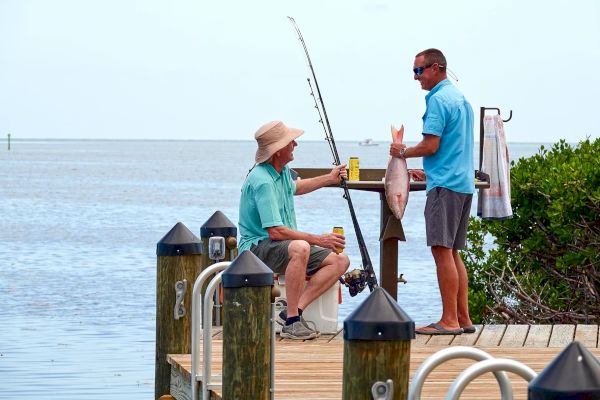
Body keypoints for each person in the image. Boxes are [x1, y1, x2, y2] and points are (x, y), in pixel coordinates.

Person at [390, 49, 476, 335]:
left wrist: (402, 152)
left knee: (441, 251)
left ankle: (448, 321)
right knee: (453, 252)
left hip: (445, 188)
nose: (416, 78)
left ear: (436, 68)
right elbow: (452, 148)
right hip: (462, 183)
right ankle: (463, 318)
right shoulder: (461, 99)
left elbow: (431, 146)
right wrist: (429, 170)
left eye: (419, 71)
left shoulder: (438, 100)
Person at [238, 120, 350, 340]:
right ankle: (292, 322)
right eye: (291, 142)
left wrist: (329, 178)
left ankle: (292, 313)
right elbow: (275, 232)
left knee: (340, 260)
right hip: (256, 249)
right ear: (278, 150)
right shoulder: (263, 181)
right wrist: (318, 239)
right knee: (300, 247)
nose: (295, 144)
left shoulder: (280, 172)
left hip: (277, 246)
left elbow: (295, 187)